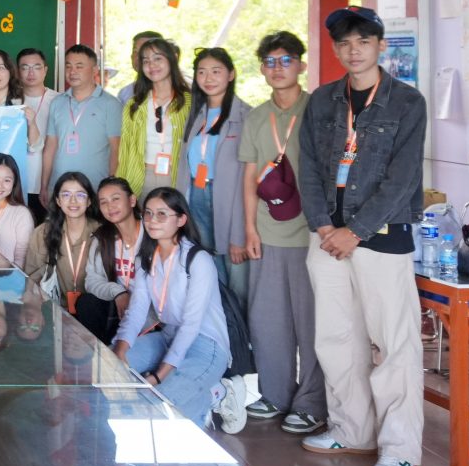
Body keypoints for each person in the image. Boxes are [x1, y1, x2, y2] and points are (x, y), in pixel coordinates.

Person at [298, 6, 425, 466]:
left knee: (393, 343)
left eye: (363, 42)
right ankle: (350, 430)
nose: (354, 51)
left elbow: (403, 177)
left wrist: (356, 230)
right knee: (336, 337)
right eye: (345, 43)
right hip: (327, 237)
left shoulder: (406, 101)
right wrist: (323, 225)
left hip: (381, 235)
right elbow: (309, 167)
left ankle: (400, 448)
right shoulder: (322, 100)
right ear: (335, 48)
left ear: (380, 45)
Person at [238, 31, 326, 435]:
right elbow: (249, 177)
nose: (278, 68)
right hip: (269, 232)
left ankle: (311, 402)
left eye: (286, 60)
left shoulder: (318, 110)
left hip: (313, 235)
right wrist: (249, 229)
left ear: (301, 65)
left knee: (312, 323)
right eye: (270, 62)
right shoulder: (257, 117)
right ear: (261, 69)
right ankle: (275, 394)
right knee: (268, 320)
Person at [113, 187, 245, 434]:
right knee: (108, 367)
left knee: (161, 403)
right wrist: (119, 353)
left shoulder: (198, 260)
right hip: (168, 337)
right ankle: (200, 395)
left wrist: (159, 376)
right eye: (148, 213)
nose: (152, 220)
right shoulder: (146, 259)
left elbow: (191, 325)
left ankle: (217, 393)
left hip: (205, 345)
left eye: (162, 214)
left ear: (181, 219)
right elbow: (137, 311)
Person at [174, 47, 252, 305]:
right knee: (207, 265)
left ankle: (239, 326)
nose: (208, 78)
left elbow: (248, 177)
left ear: (231, 74)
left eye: (216, 71)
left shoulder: (246, 116)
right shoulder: (195, 114)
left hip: (230, 199)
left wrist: (241, 233)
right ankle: (218, 321)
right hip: (196, 194)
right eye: (202, 72)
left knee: (235, 265)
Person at [41, 45, 123, 192]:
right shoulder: (57, 103)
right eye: (68, 66)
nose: (72, 72)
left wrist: (111, 188)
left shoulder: (110, 104)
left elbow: (116, 149)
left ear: (95, 70)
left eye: (79, 66)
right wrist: (44, 185)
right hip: (59, 188)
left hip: (95, 188)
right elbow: (50, 147)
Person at [23, 173, 102, 325]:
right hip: (54, 311)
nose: (73, 201)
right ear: (58, 201)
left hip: (93, 314)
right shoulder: (43, 232)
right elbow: (32, 277)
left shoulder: (101, 234)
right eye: (66, 195)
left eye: (80, 195)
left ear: (89, 201)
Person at [117, 37, 191, 196]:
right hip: (141, 177)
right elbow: (125, 149)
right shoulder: (134, 105)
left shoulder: (190, 102)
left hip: (178, 176)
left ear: (172, 60)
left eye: (158, 58)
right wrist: (121, 188)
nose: (152, 65)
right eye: (146, 61)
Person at [79, 177, 143, 344]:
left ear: (132, 200)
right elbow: (91, 281)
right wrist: (118, 292)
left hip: (149, 313)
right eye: (104, 202)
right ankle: (97, 351)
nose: (110, 206)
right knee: (87, 303)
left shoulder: (152, 234)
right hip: (119, 309)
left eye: (115, 199)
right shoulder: (102, 238)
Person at [17, 48, 60, 220]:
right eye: (25, 67)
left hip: (48, 183)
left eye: (36, 67)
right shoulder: (10, 100)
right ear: (17, 71)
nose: (31, 73)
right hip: (16, 184)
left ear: (45, 70)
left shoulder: (60, 100)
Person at [118, 30, 163, 101]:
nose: (138, 56)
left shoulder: (178, 93)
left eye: (145, 51)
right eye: (135, 51)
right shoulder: (125, 94)